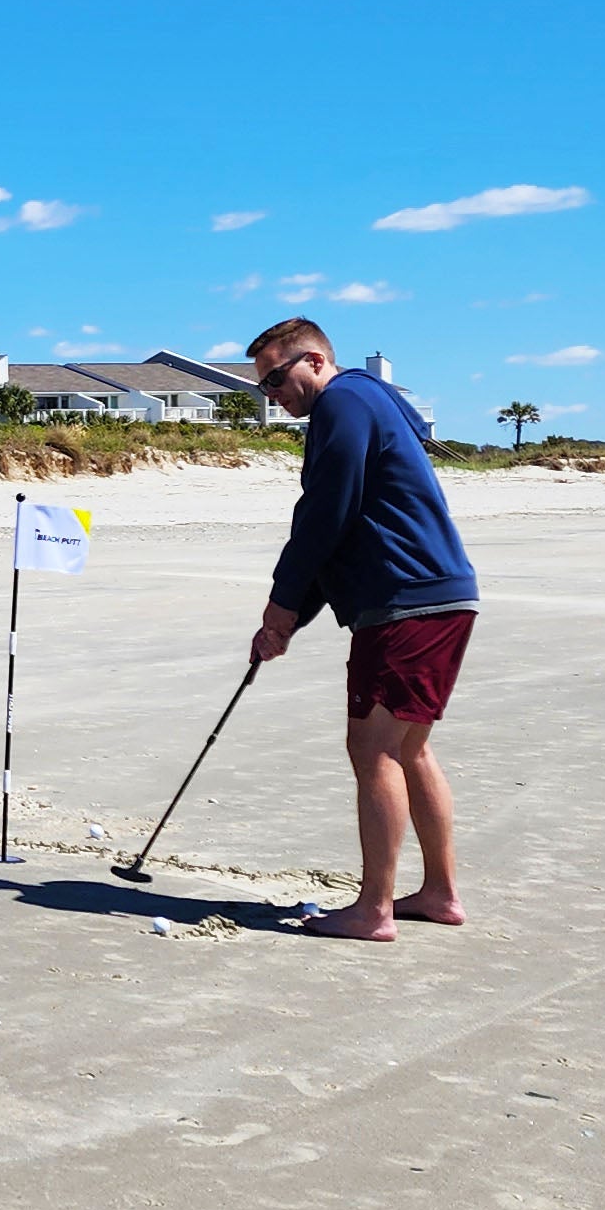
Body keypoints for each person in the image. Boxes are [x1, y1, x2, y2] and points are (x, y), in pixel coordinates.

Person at [243, 318, 479, 942]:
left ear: (316, 360)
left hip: (407, 603)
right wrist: (289, 621)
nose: (273, 394)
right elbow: (341, 527)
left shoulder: (344, 401)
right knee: (408, 748)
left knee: (372, 749)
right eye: (262, 387)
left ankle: (373, 909)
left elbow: (325, 512)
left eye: (277, 377)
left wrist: (281, 604)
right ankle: (438, 894)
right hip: (437, 599)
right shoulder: (369, 400)